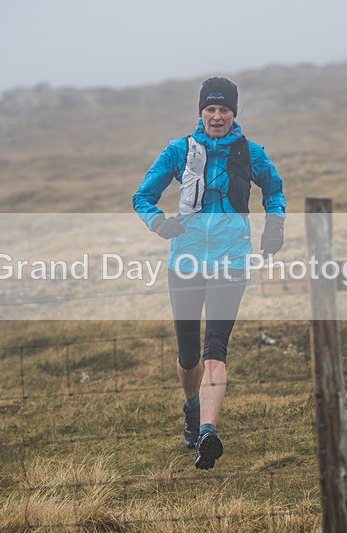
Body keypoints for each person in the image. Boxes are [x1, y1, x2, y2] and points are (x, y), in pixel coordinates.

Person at [132, 77, 286, 469]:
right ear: (201, 112)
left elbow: (274, 190)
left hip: (232, 259)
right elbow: (142, 196)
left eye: (224, 110)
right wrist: (159, 224)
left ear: (234, 113)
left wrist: (275, 225)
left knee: (214, 349)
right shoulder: (178, 150)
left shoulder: (251, 153)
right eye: (210, 109)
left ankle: (207, 432)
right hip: (184, 260)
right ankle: (191, 409)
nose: (217, 116)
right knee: (187, 356)